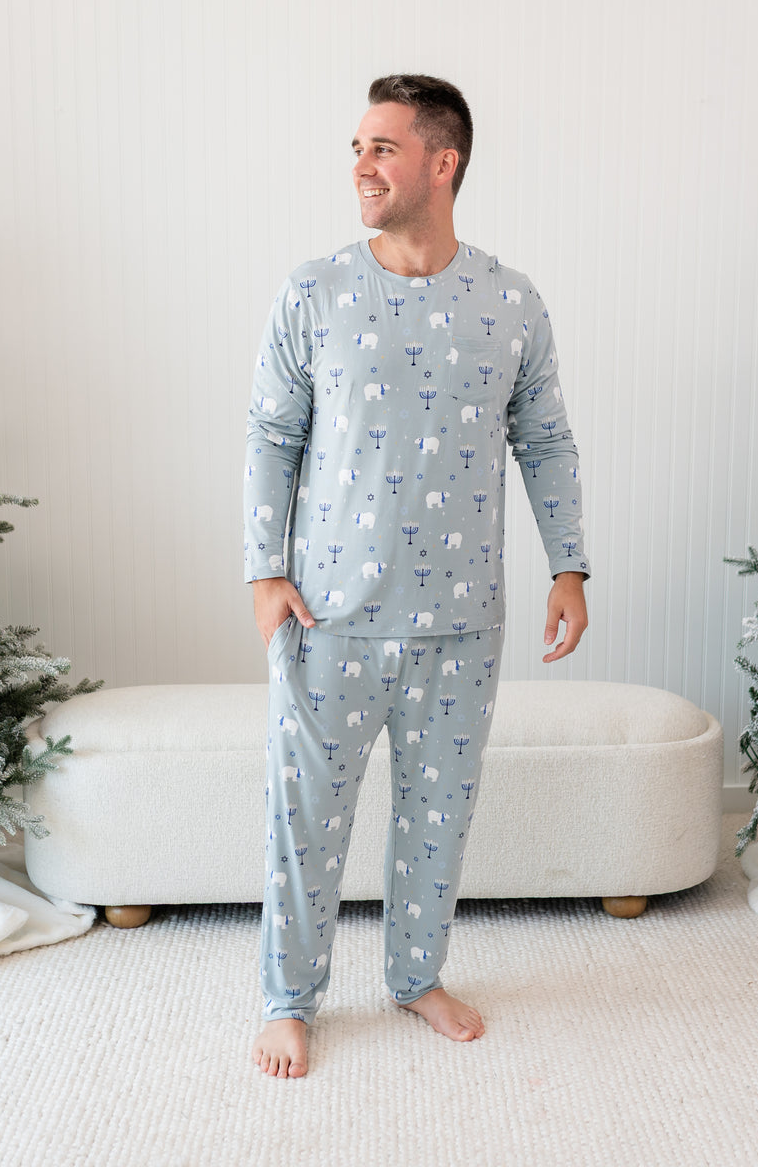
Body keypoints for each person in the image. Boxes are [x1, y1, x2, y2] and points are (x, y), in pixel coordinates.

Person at [243, 74, 590, 1078]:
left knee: (439, 814)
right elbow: (272, 432)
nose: (359, 163)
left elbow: (546, 438)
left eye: (382, 147)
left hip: (462, 619)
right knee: (306, 817)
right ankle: (288, 996)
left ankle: (415, 976)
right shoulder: (313, 292)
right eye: (356, 146)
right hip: (329, 614)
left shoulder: (511, 300)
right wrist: (264, 572)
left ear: (443, 164)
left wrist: (569, 565)